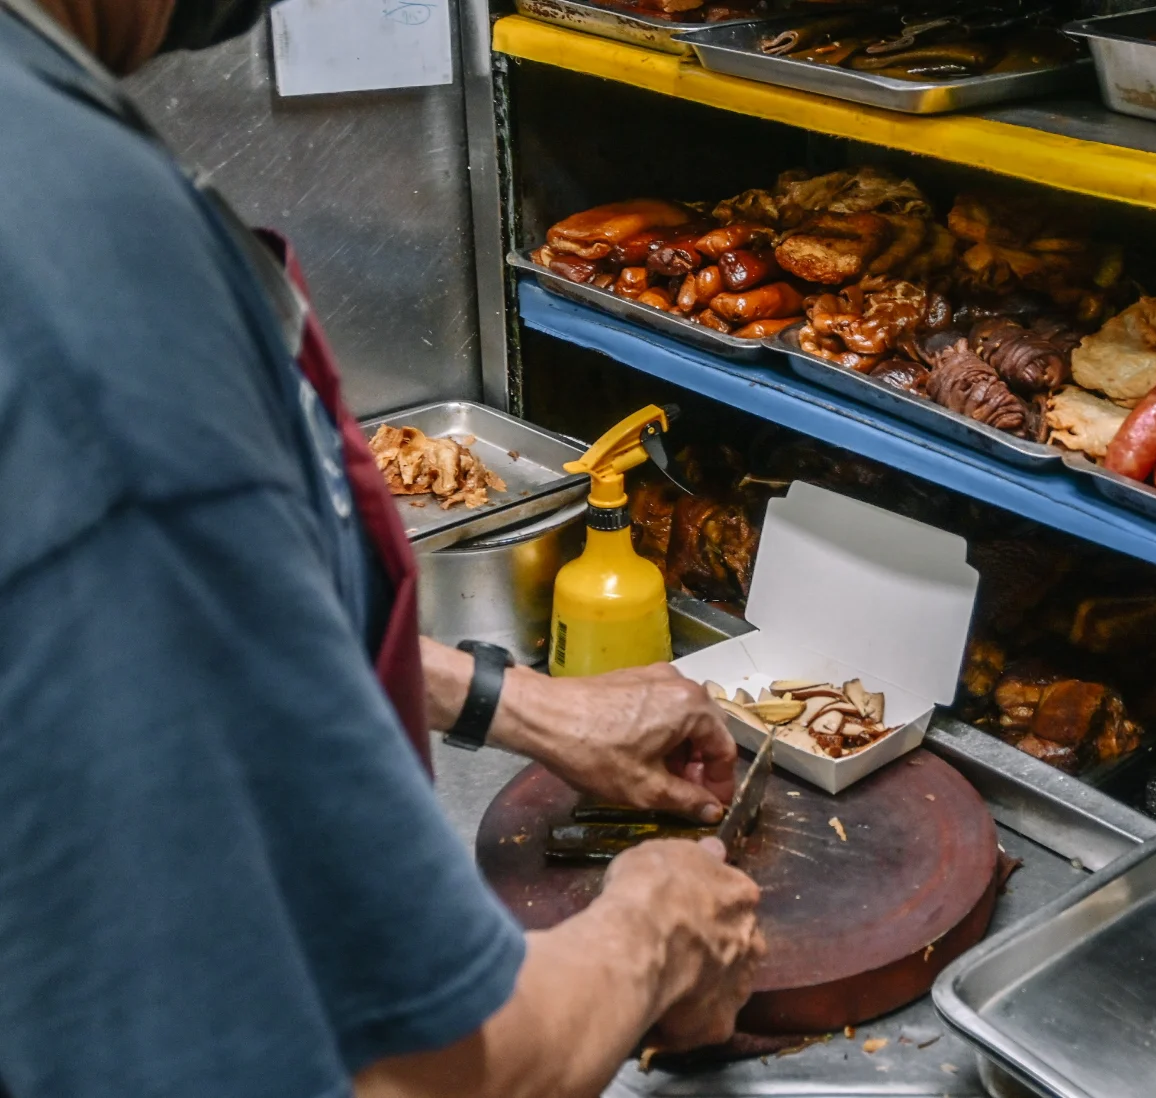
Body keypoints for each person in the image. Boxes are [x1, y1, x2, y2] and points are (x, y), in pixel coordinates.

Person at [0, 3, 766, 1098]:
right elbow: (412, 1074)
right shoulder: (86, 260)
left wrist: (518, 704)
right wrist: (656, 934)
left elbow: (177, 636)